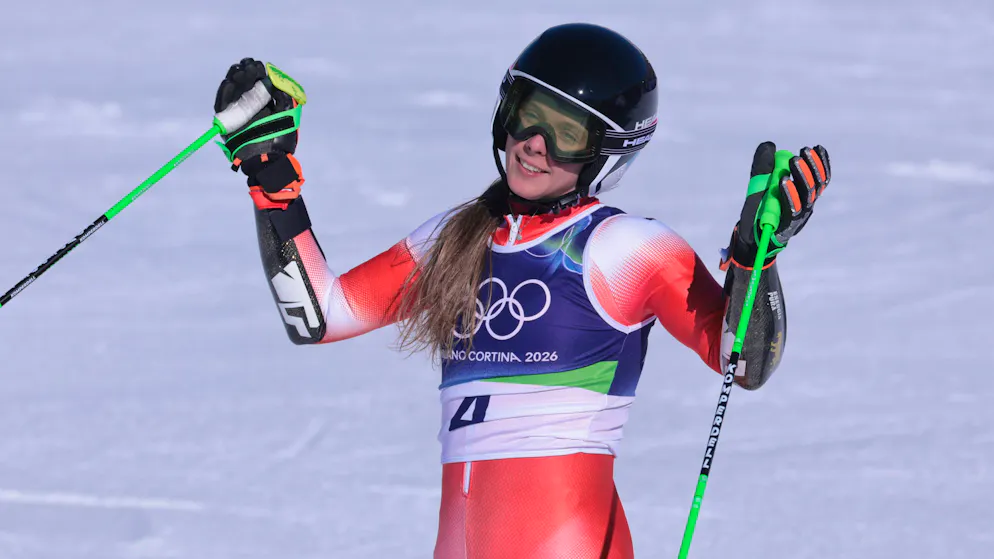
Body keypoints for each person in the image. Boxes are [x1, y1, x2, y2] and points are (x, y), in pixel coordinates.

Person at [212, 23, 830, 559]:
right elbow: (319, 315)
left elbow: (742, 362)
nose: (535, 143)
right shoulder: (455, 238)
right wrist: (272, 182)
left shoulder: (625, 248)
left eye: (568, 133)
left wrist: (753, 259)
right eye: (527, 114)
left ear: (608, 153)